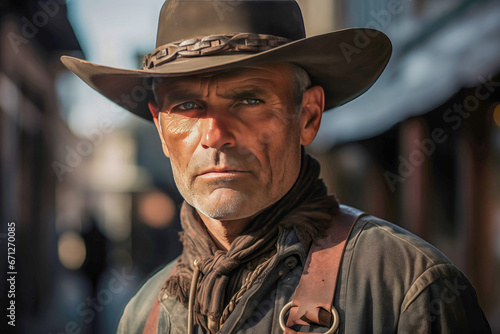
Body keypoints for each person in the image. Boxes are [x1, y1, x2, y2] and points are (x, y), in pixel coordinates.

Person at [62, 1, 492, 333]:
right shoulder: (144, 314)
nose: (215, 134)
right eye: (188, 106)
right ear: (160, 129)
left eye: (248, 100)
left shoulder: (407, 290)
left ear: (307, 116)